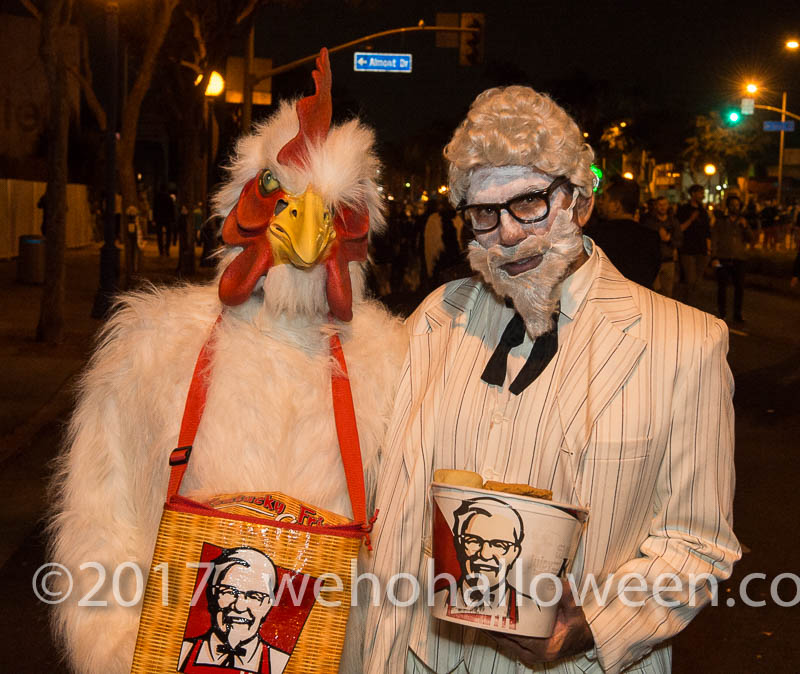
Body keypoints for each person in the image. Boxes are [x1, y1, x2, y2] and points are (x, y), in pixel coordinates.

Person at [364, 86, 739, 673]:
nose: (508, 235)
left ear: (580, 201)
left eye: (531, 203)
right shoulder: (436, 319)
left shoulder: (684, 343)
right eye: (485, 214)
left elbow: (696, 548)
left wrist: (587, 626)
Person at [178, 547, 290, 673]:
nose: (239, 607)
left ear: (268, 605)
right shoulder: (181, 653)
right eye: (229, 592)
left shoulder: (282, 664)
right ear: (212, 595)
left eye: (254, 596)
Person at [434, 497, 540, 626]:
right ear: (459, 545)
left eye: (500, 545)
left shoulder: (533, 612)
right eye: (473, 541)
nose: (485, 554)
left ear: (515, 552)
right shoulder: (437, 599)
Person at [584, 176, 660, 288]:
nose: (600, 202)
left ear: (616, 206)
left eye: (604, 198)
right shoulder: (652, 237)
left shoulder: (594, 237)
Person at [711, 191, 753, 323]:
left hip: (739, 259)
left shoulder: (743, 222)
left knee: (739, 288)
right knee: (722, 287)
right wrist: (714, 257)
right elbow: (714, 239)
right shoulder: (720, 222)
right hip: (722, 258)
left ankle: (738, 313)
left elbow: (751, 239)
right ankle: (722, 312)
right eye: (732, 205)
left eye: (737, 205)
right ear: (728, 206)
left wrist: (745, 227)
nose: (735, 207)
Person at [676, 184, 711, 306]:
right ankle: (686, 305)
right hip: (687, 250)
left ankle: (693, 306)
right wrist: (691, 219)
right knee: (690, 280)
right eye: (700, 193)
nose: (702, 195)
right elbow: (679, 229)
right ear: (693, 194)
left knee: (698, 281)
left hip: (702, 250)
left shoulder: (703, 211)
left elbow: (707, 232)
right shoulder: (683, 209)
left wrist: (708, 249)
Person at [643, 196, 683, 297]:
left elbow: (679, 241)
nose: (663, 207)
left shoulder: (673, 222)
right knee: (653, 293)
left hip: (668, 261)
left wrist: (668, 240)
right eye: (660, 205)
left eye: (664, 204)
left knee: (667, 293)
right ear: (656, 206)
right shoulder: (650, 222)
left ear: (668, 205)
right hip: (653, 261)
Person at [153, 185, 177, 256]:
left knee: (159, 235)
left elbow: (155, 208)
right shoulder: (168, 198)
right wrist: (173, 218)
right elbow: (172, 209)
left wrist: (154, 218)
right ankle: (167, 249)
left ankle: (161, 251)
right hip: (167, 218)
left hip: (159, 218)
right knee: (168, 234)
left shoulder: (157, 197)